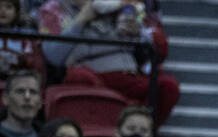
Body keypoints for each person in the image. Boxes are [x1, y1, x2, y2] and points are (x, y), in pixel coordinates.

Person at [38, 0, 180, 127]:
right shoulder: (53, 9)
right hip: (91, 73)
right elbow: (53, 56)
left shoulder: (120, 4)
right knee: (79, 77)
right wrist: (80, 21)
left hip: (128, 74)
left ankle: (141, 131)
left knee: (168, 87)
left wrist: (139, 32)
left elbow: (153, 46)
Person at [0, 69, 41, 137]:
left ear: (40, 102)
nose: (27, 97)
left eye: (33, 92)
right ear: (5, 99)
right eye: (20, 91)